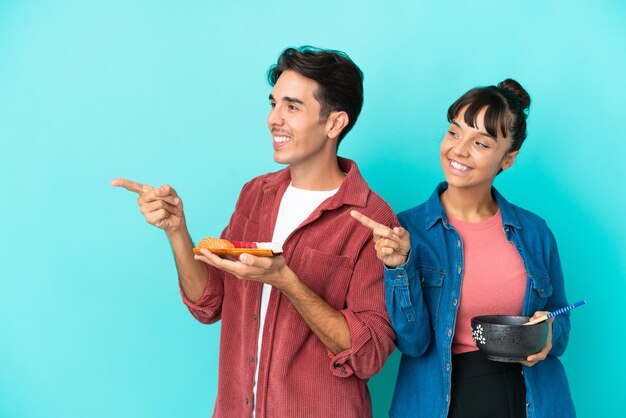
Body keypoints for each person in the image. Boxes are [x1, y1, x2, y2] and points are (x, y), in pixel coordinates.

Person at [112, 46, 396, 418]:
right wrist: (177, 231)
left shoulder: (371, 218)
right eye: (273, 103)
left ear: (334, 123)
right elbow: (210, 301)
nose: (273, 119)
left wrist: (287, 282)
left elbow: (368, 355)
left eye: (292, 107)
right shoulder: (255, 194)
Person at [352, 79, 575, 418]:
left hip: (531, 400)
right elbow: (412, 343)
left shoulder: (535, 232)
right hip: (444, 401)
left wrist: (548, 333)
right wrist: (400, 269)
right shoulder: (406, 231)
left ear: (508, 159)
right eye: (455, 132)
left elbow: (560, 327)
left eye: (481, 143)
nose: (459, 149)